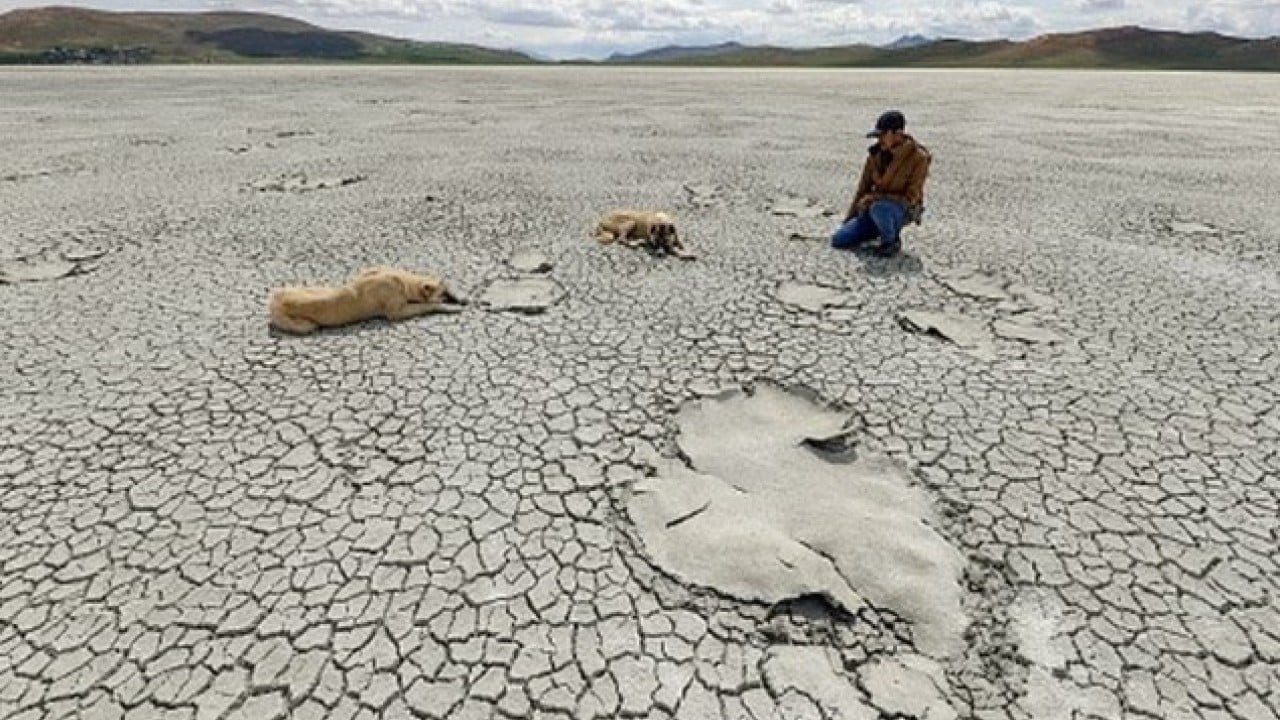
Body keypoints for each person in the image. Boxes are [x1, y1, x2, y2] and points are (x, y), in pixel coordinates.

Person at [831, 110, 931, 257]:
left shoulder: (918, 158)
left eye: (883, 135)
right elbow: (862, 189)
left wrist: (876, 197)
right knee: (840, 239)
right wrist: (849, 219)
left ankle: (890, 242)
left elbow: (911, 198)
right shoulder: (875, 154)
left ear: (898, 134)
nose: (879, 140)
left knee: (880, 208)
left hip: (900, 210)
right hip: (873, 210)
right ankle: (878, 228)